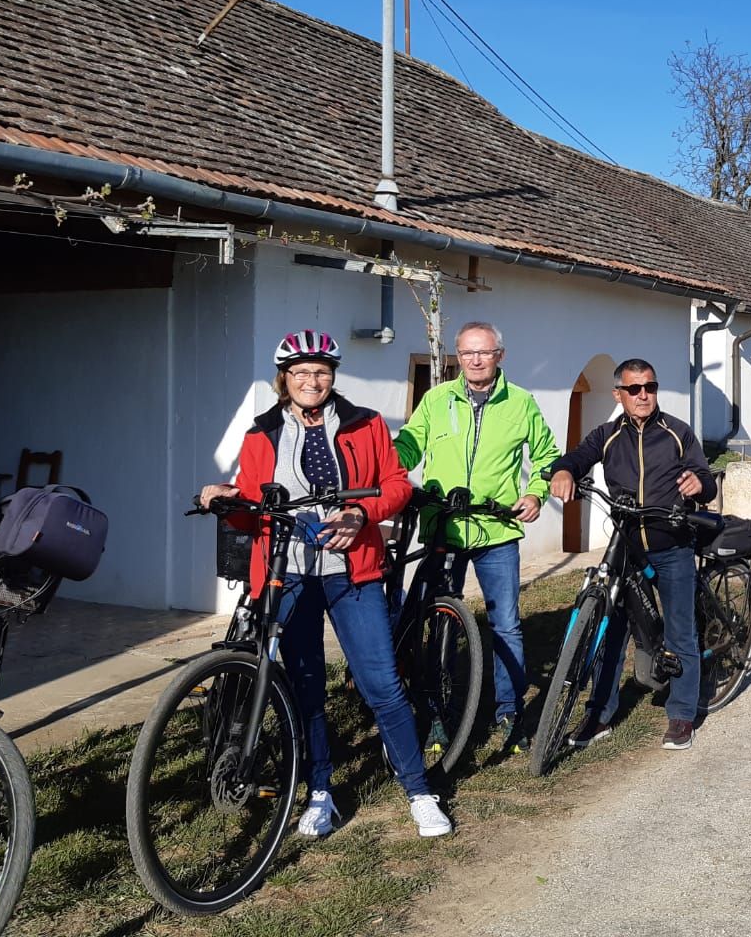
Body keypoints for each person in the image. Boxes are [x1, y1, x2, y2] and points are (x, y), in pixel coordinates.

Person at [198, 330, 452, 840]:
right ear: (284, 380)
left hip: (352, 572)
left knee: (381, 683)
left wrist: (362, 512)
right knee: (308, 688)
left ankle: (420, 792)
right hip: (288, 573)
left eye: (320, 372)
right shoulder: (260, 434)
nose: (311, 381)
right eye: (300, 373)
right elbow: (253, 510)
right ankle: (320, 793)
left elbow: (397, 484)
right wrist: (222, 498)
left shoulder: (365, 424)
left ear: (332, 376)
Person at [394, 321, 560, 755]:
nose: (475, 360)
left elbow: (546, 455)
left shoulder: (521, 403)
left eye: (483, 353)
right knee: (437, 620)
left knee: (505, 623)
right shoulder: (436, 399)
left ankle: (509, 712)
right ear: (458, 357)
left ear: (499, 356)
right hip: (444, 525)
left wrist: (536, 492)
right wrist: (385, 464)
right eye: (467, 354)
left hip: (495, 528)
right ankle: (435, 712)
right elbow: (410, 446)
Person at [547, 357, 717, 751]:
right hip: (626, 545)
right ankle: (598, 714)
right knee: (611, 631)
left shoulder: (677, 432)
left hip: (672, 541)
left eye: (651, 387)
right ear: (618, 394)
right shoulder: (606, 434)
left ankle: (681, 714)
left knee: (680, 630)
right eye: (635, 389)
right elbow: (576, 457)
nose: (644, 396)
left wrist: (698, 483)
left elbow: (705, 478)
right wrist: (563, 471)